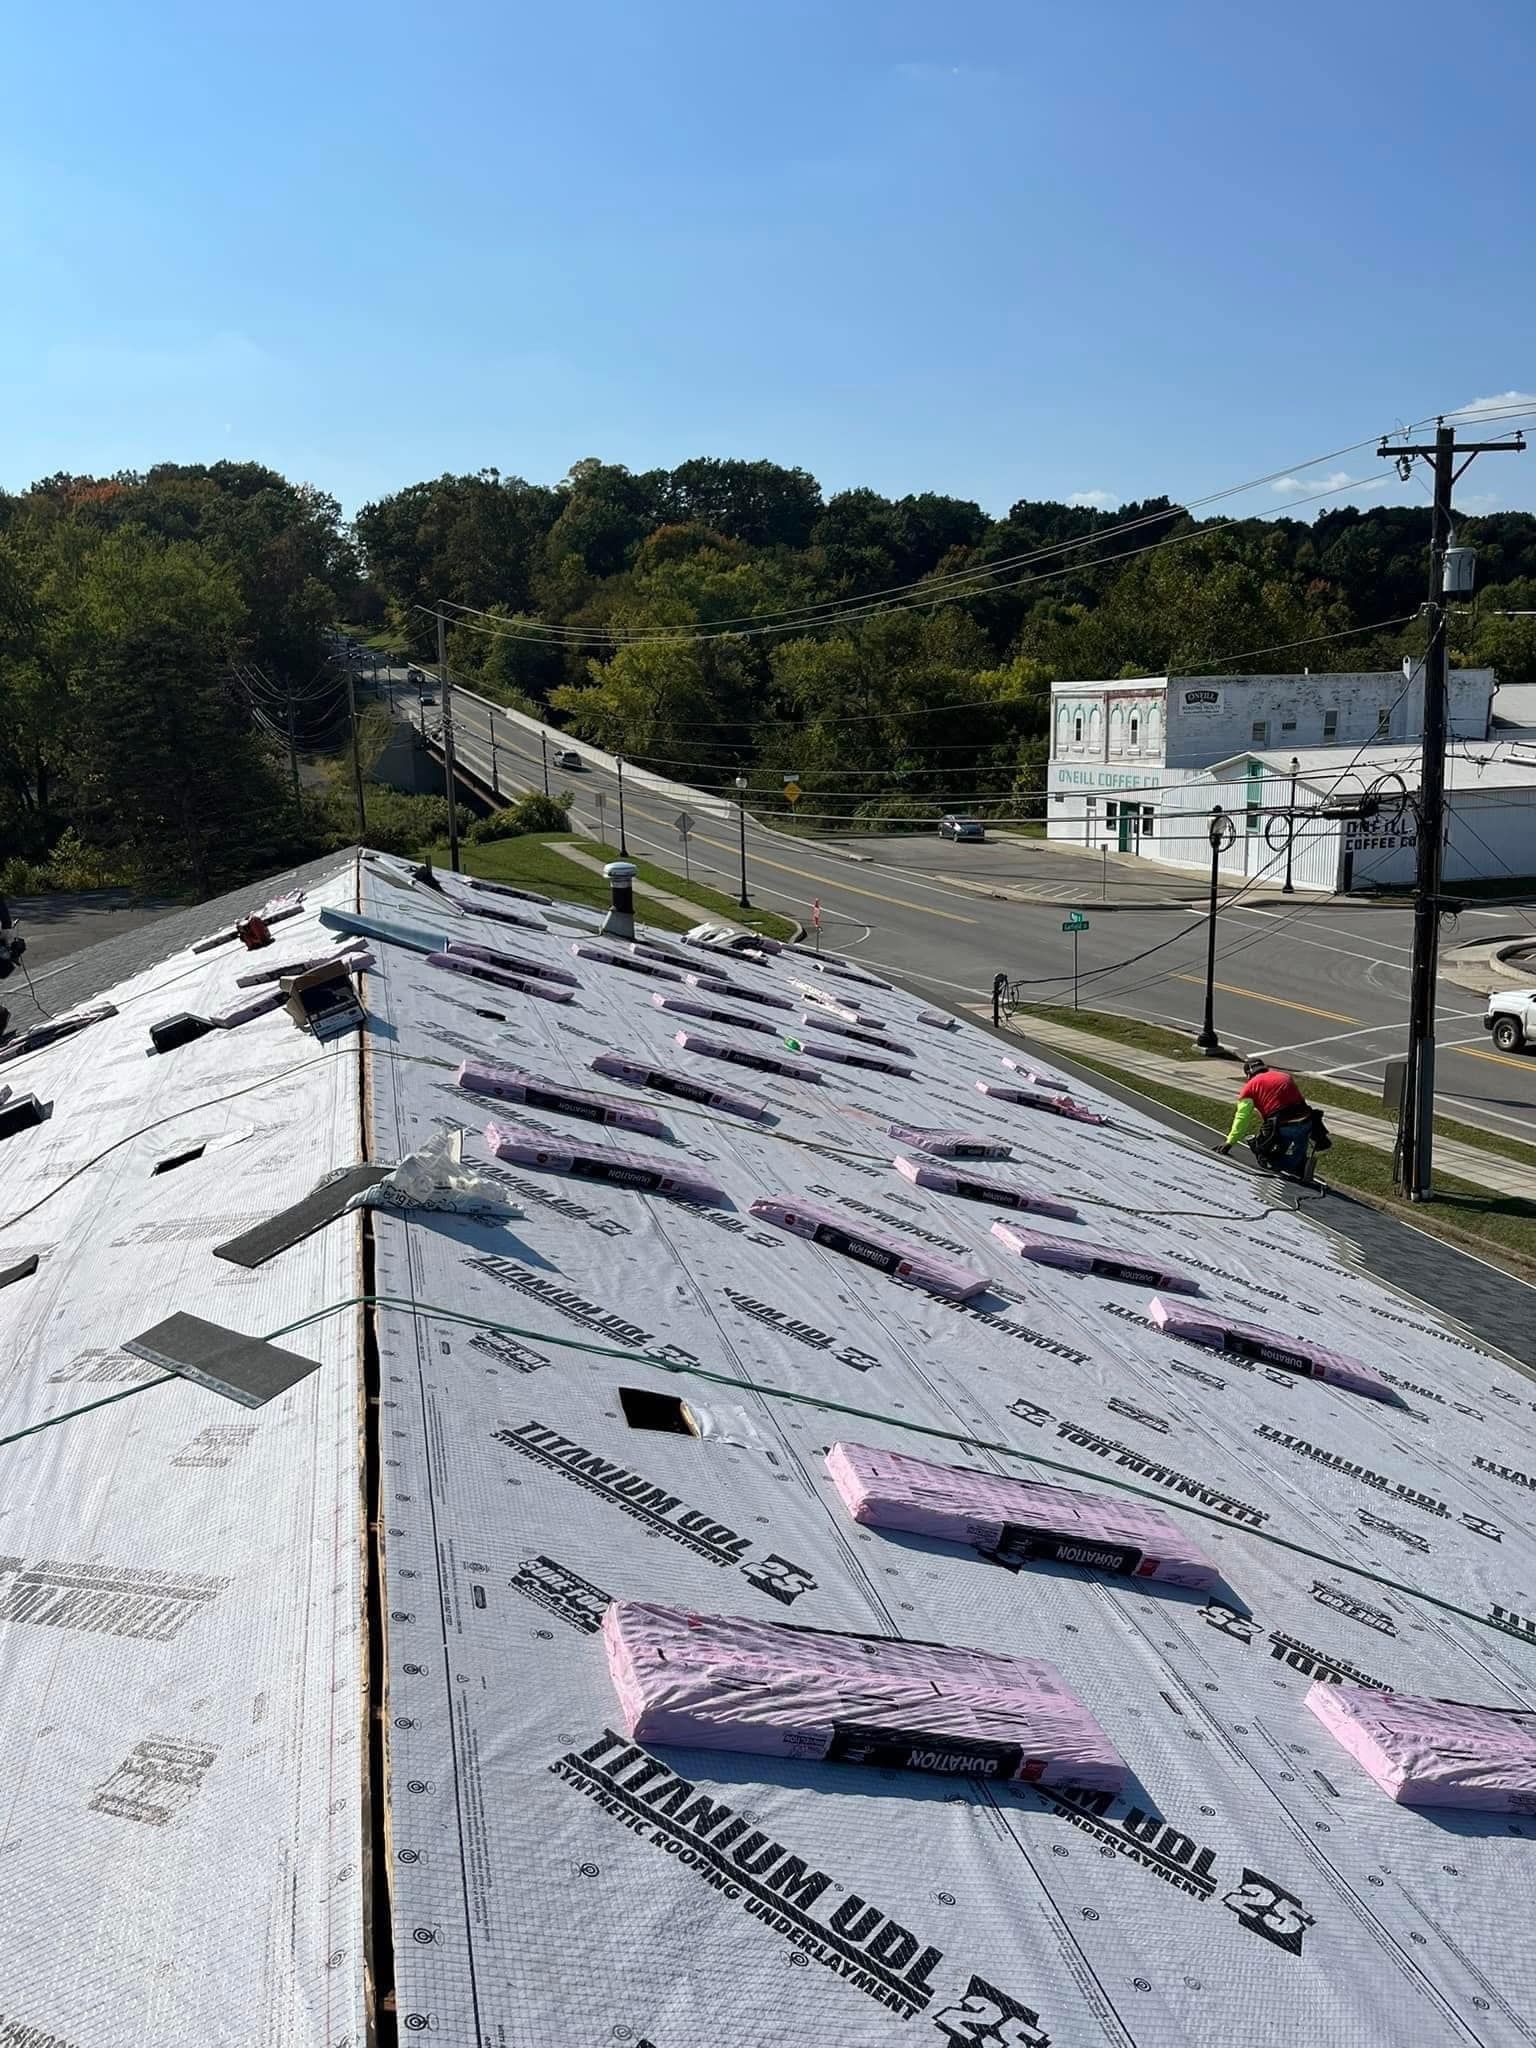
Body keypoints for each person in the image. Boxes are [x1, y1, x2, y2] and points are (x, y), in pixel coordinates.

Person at [1217, 1054, 1317, 1178]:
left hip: (1282, 1126)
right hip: (1306, 1122)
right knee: (1296, 1151)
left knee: (1262, 1149)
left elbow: (1242, 1118)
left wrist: (1230, 1142)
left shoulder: (1250, 1087)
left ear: (1248, 1074)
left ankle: (1278, 1164)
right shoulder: (1284, 1076)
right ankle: (1300, 1165)